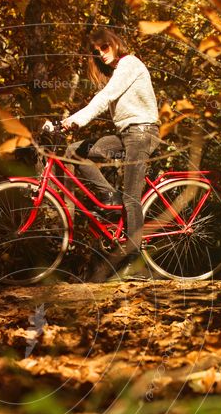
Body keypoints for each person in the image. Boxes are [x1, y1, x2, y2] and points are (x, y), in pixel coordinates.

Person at [61, 27, 160, 281]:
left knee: (131, 197)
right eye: (97, 52)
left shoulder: (129, 64)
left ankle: (137, 265)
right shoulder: (118, 70)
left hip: (142, 132)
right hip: (127, 134)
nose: (101, 54)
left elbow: (105, 97)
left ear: (115, 43)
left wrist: (75, 120)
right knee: (75, 152)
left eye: (104, 47)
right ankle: (108, 196)